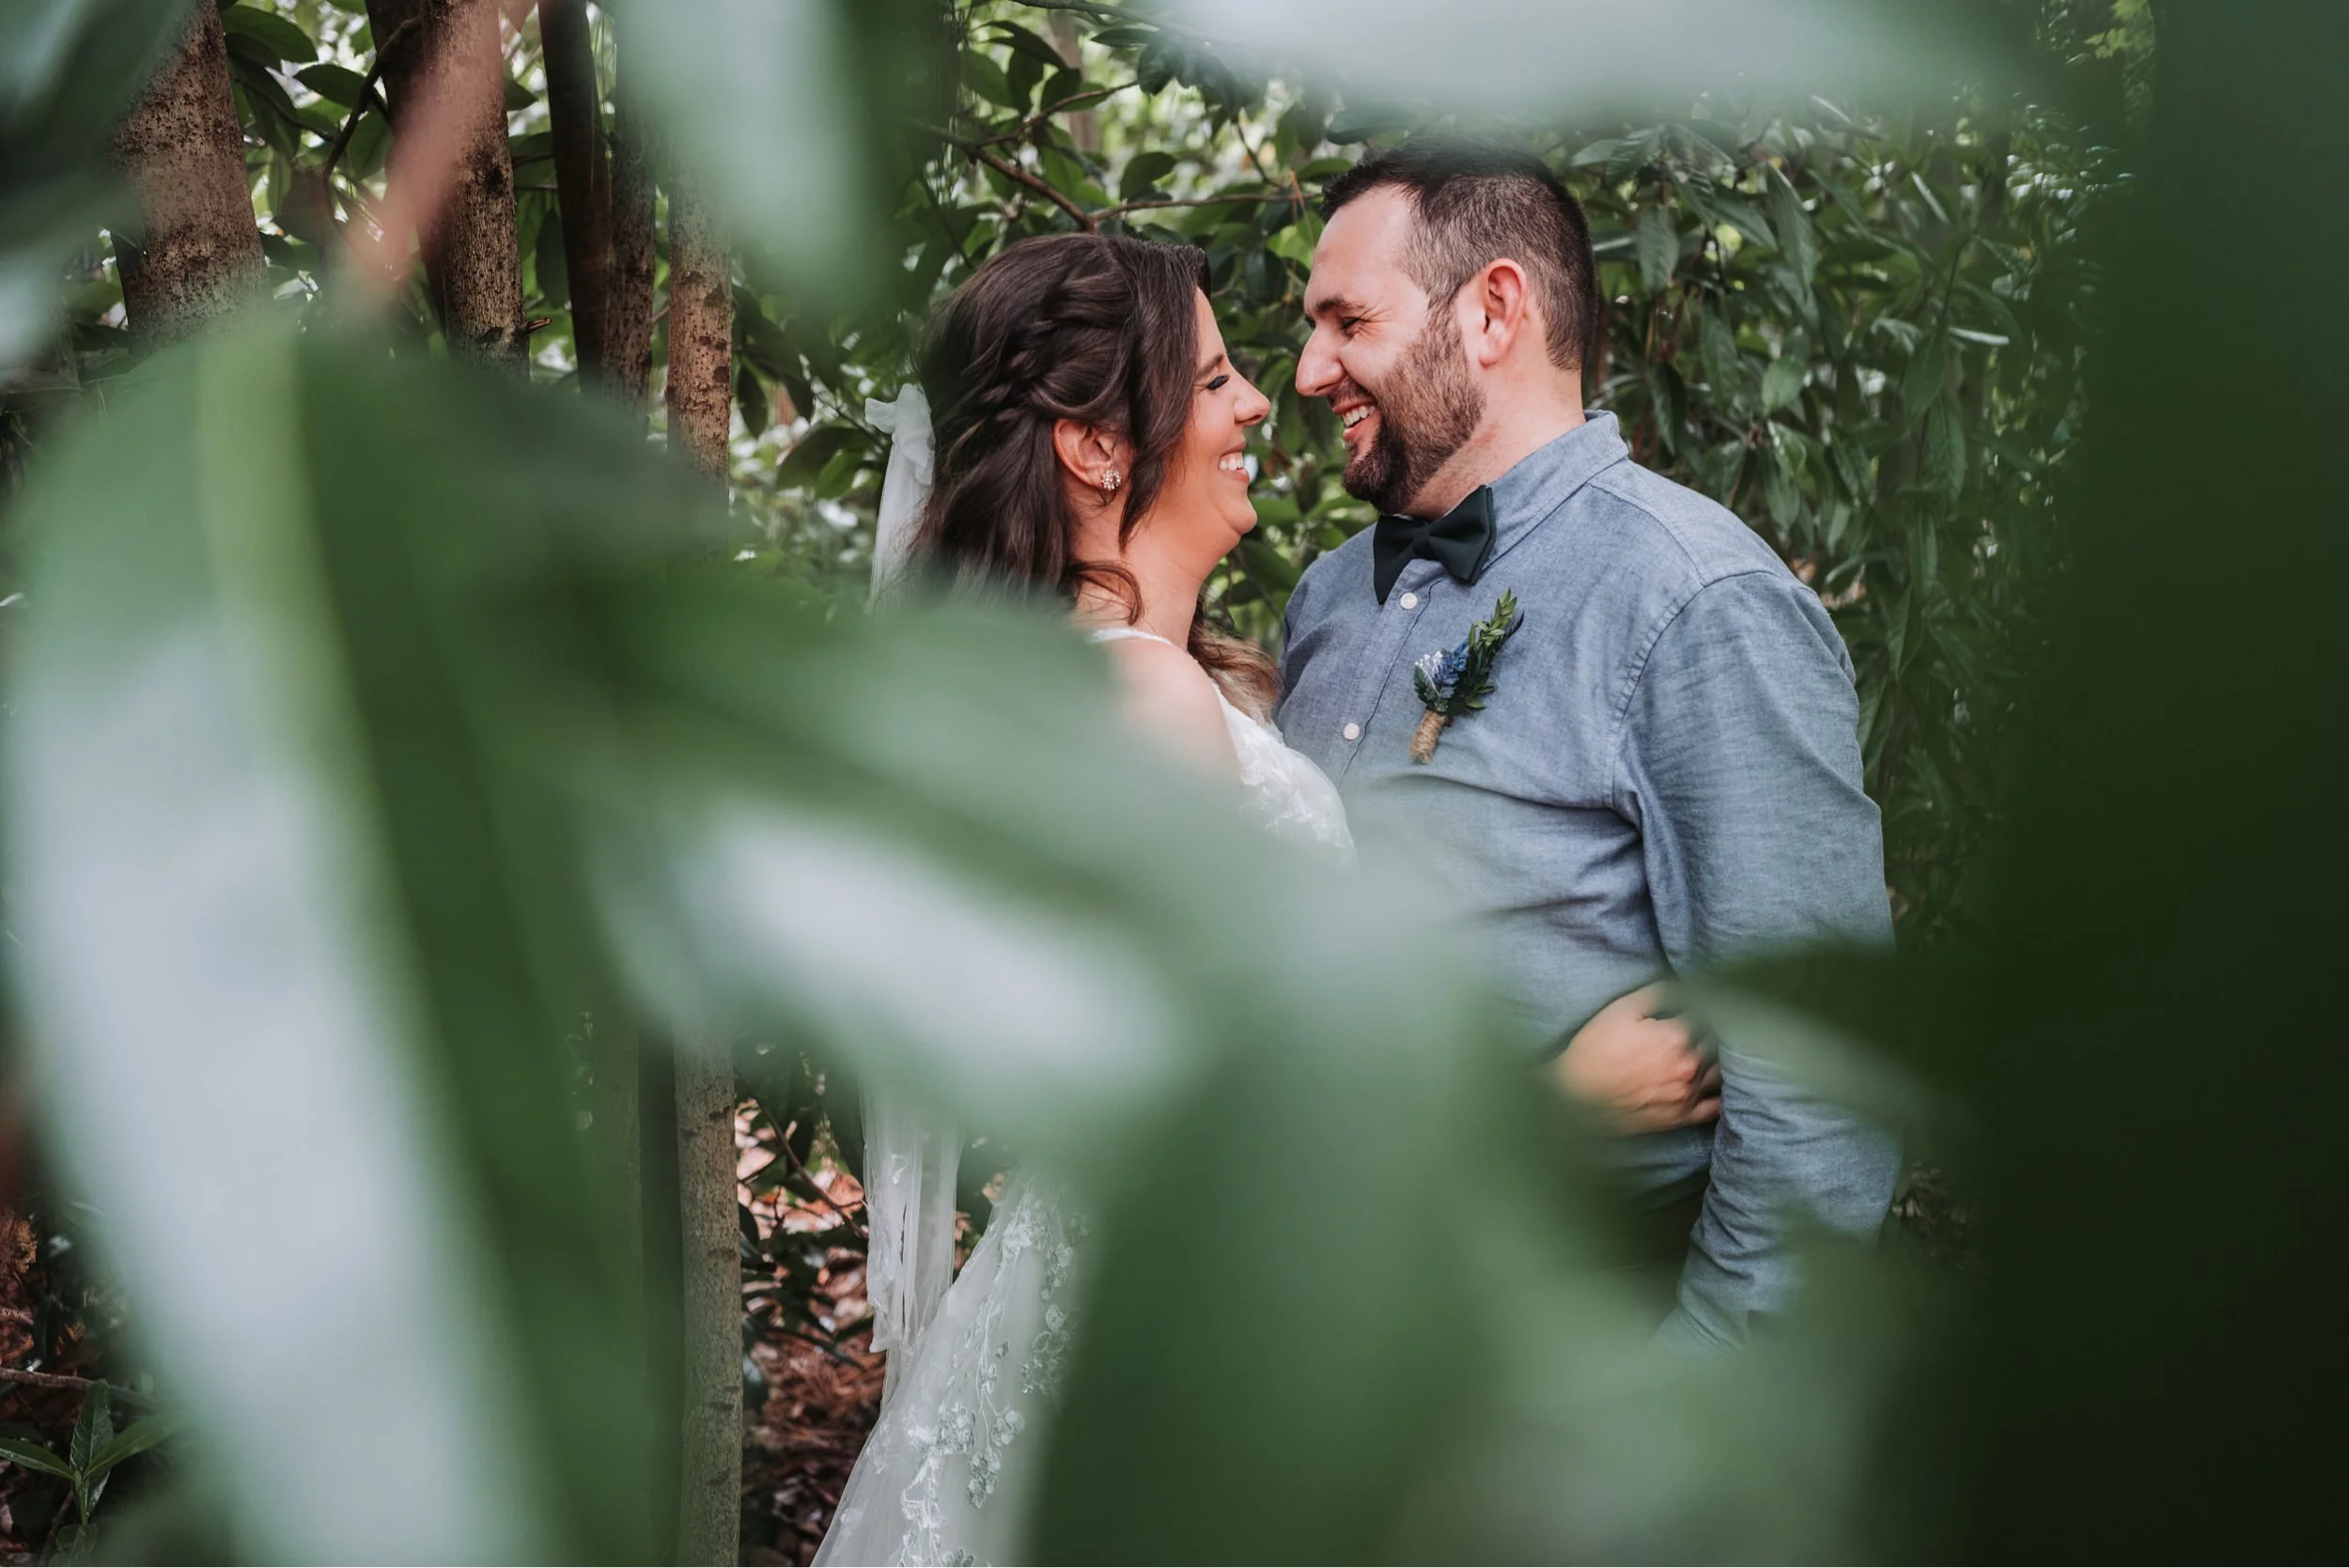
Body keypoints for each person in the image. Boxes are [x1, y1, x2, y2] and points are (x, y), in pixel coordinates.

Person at [817, 231, 1712, 1566]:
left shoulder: (1116, 677)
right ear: (1097, 448)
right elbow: (1216, 1125)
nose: (1258, 402)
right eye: (1214, 379)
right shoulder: (1142, 697)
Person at [1278, 137, 1902, 1350]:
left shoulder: (1695, 599)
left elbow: (1818, 1071)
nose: (1310, 371)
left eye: (1349, 322)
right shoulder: (1330, 596)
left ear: (1493, 310)